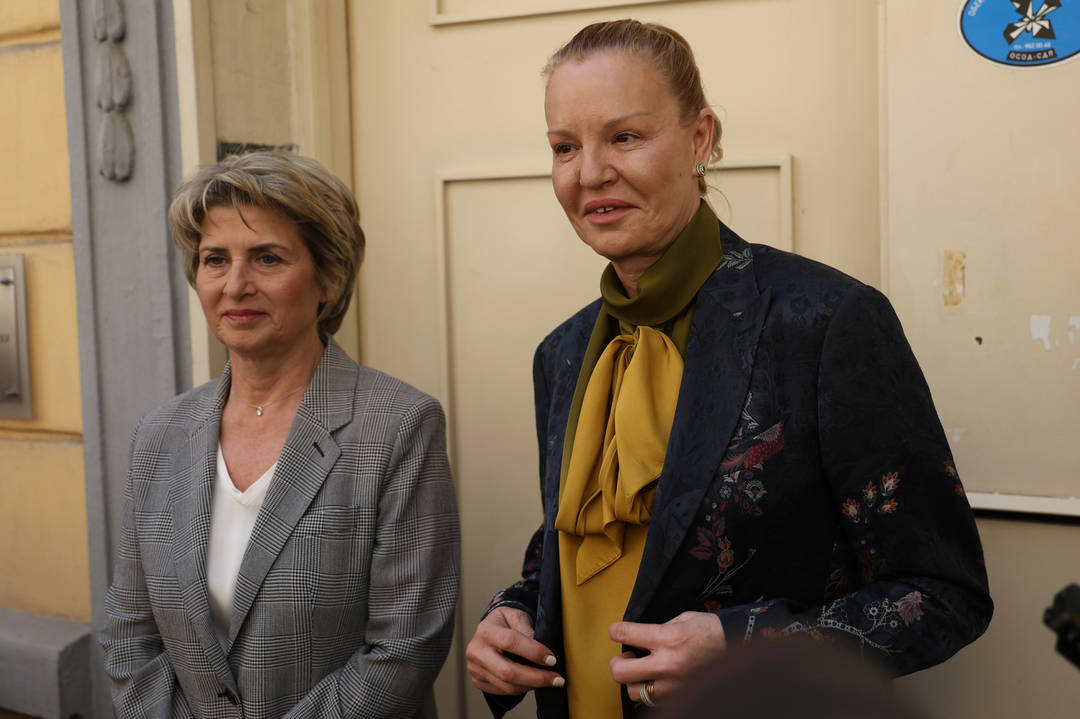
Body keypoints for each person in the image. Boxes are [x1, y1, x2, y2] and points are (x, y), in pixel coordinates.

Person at [465, 19, 992, 719]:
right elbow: (579, 555)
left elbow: (944, 593)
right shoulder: (560, 354)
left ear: (700, 139)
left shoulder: (825, 322)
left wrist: (746, 643)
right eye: (565, 147)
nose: (589, 173)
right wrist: (513, 615)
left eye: (624, 136)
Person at [101, 150, 460, 718]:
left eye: (267, 258)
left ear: (330, 276)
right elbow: (130, 635)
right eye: (215, 260)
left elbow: (404, 650)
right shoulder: (160, 435)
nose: (235, 285)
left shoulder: (398, 426)